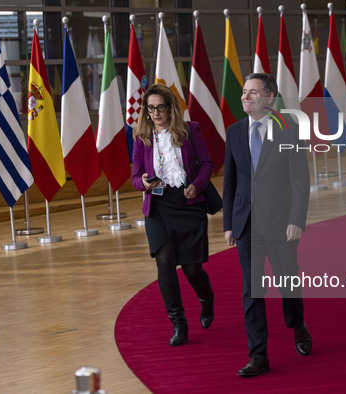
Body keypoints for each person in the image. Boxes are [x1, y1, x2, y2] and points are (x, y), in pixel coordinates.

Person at [223, 73, 311, 377]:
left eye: (253, 92)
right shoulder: (234, 132)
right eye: (244, 93)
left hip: (280, 223)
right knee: (252, 289)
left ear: (270, 97)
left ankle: (297, 324)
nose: (246, 97)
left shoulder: (290, 130)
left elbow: (300, 180)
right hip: (246, 224)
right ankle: (258, 354)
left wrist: (296, 221)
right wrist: (228, 224)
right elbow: (231, 183)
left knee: (287, 281)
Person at [132, 84, 215, 346]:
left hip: (188, 203)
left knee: (192, 269)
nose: (155, 113)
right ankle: (179, 324)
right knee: (165, 262)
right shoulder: (141, 138)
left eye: (160, 107)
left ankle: (206, 298)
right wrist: (143, 183)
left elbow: (208, 164)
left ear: (170, 108)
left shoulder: (190, 131)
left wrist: (197, 186)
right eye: (151, 108)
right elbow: (135, 176)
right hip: (158, 207)